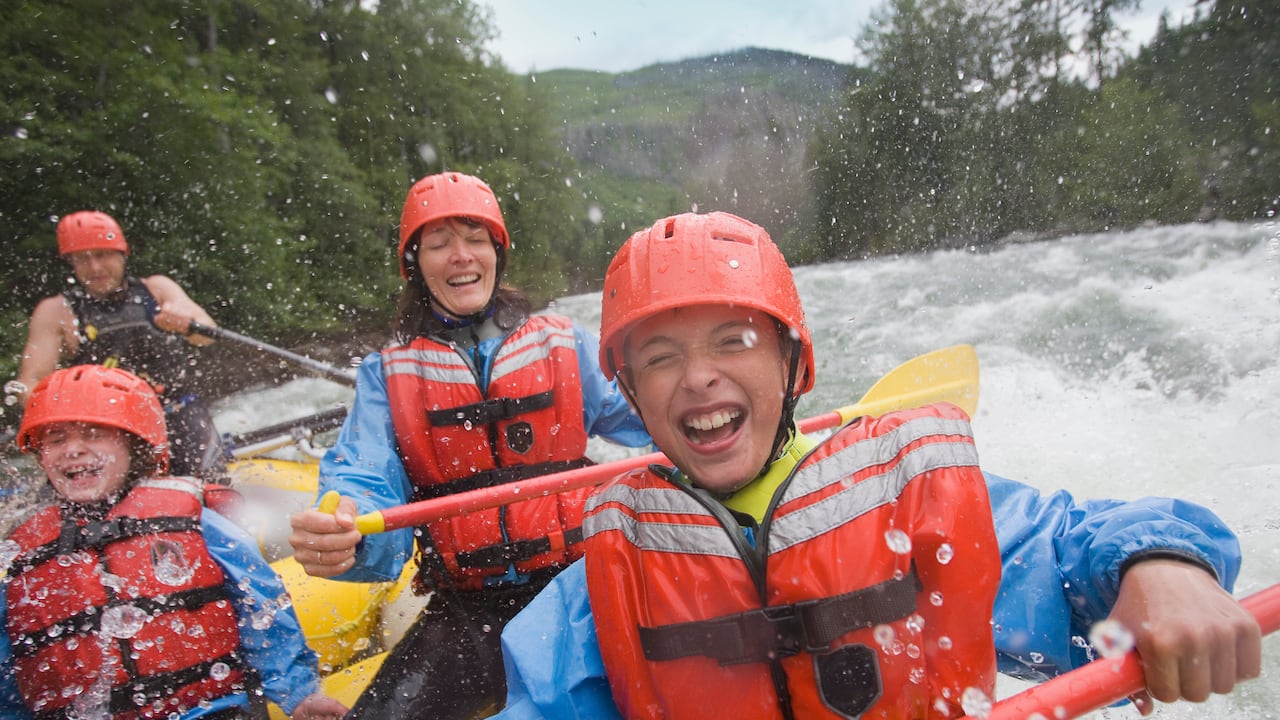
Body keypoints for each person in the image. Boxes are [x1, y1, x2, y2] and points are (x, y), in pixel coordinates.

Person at [493, 211, 1263, 719]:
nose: (697, 377)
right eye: (661, 358)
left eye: (734, 342)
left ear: (797, 365)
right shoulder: (603, 581)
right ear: (629, 393)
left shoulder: (910, 499)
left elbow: (1072, 547)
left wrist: (1159, 566)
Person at [286, 172, 650, 719]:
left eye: (475, 239)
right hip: (470, 608)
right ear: (415, 264)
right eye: (439, 244)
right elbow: (362, 473)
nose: (461, 256)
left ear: (497, 253)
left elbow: (650, 418)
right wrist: (345, 526)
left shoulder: (562, 341)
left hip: (580, 587)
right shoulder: (386, 375)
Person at [0, 365, 349, 720]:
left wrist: (297, 693)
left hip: (207, 711)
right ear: (40, 454)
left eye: (94, 434)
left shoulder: (192, 517)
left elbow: (259, 603)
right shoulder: (25, 551)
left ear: (136, 445)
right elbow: (10, 661)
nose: (73, 449)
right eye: (56, 439)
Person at [7, 210, 227, 481]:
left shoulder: (157, 289)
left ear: (123, 254)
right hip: (111, 429)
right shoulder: (56, 311)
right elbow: (31, 382)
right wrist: (65, 416)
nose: (95, 267)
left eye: (103, 254)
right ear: (71, 263)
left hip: (178, 413)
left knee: (214, 485)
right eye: (83, 259)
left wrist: (186, 321)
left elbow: (208, 332)